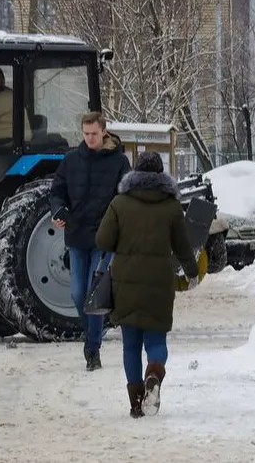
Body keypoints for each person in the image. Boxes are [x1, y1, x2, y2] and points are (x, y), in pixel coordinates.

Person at [95, 150, 199, 417]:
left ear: (135, 173)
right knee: (156, 340)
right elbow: (183, 246)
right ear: (160, 173)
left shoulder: (119, 203)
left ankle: (136, 404)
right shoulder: (171, 206)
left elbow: (103, 241)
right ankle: (154, 373)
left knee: (130, 345)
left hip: (125, 283)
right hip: (159, 283)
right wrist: (192, 271)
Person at [49, 111, 132, 371]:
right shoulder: (71, 160)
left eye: (94, 134)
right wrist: (57, 211)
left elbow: (126, 196)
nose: (90, 138)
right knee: (77, 294)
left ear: (104, 131)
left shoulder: (119, 162)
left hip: (103, 239)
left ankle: (92, 349)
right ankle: (92, 335)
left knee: (92, 293)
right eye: (86, 134)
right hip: (76, 236)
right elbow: (57, 191)